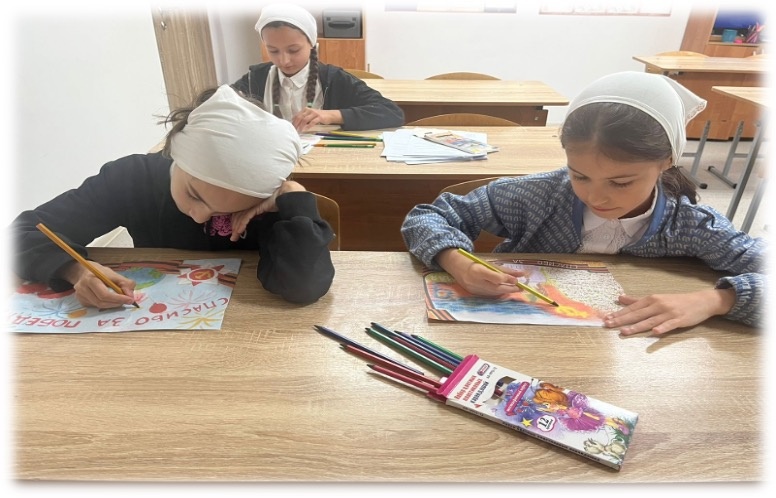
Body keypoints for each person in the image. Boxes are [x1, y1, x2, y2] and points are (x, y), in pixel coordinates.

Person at [401, 71, 765, 336]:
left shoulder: (689, 224)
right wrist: (456, 261)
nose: (596, 197)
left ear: (667, 161)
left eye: (621, 182)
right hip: (519, 342)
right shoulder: (536, 196)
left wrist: (716, 301)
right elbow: (428, 217)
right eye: (580, 175)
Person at [10, 84, 335, 307]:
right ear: (177, 152)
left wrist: (292, 195)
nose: (199, 215)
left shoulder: (269, 204)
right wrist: (75, 269)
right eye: (194, 194)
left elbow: (303, 286)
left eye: (225, 211)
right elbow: (22, 234)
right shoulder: (132, 178)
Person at [232, 3, 404, 132]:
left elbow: (391, 113)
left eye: (294, 50)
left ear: (312, 44)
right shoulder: (255, 78)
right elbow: (220, 104)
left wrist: (330, 115)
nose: (284, 60)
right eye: (273, 51)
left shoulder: (334, 79)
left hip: (322, 159)